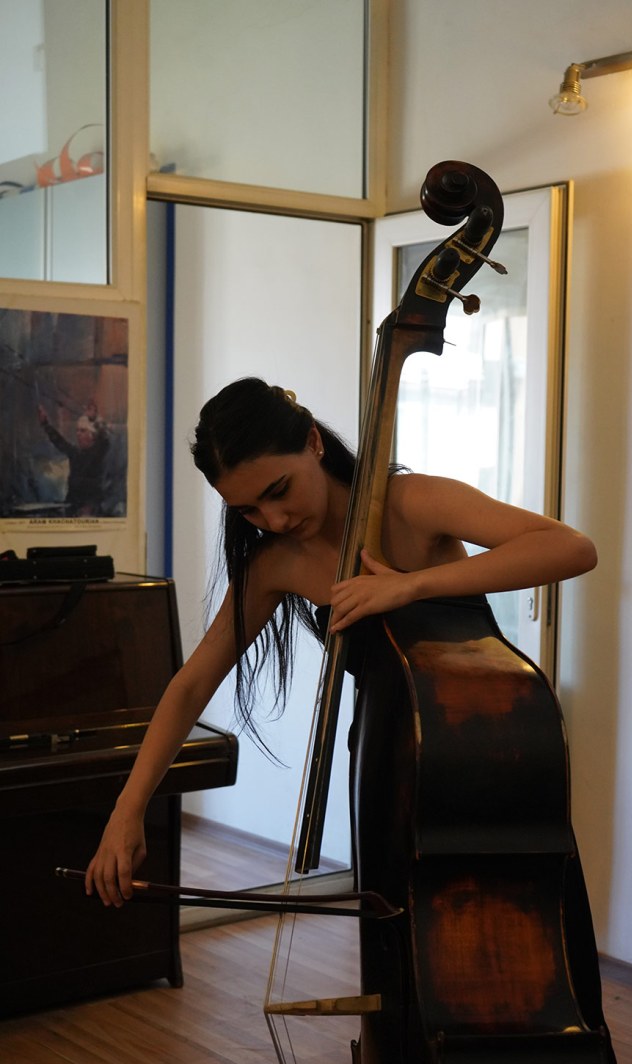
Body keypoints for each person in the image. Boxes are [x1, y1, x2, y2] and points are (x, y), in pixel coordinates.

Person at [85, 376, 597, 907]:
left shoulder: (411, 502)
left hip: (479, 744)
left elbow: (571, 548)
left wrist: (412, 585)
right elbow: (192, 685)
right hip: (384, 756)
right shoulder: (275, 564)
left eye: (278, 491)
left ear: (313, 441)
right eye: (248, 511)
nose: (274, 520)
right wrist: (128, 809)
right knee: (393, 926)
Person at [37, 402, 110, 516]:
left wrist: (94, 418)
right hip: (71, 505)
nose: (78, 434)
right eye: (77, 430)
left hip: (90, 508)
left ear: (93, 435)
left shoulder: (98, 452)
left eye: (83, 431)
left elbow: (104, 438)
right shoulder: (75, 453)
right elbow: (59, 442)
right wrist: (45, 424)